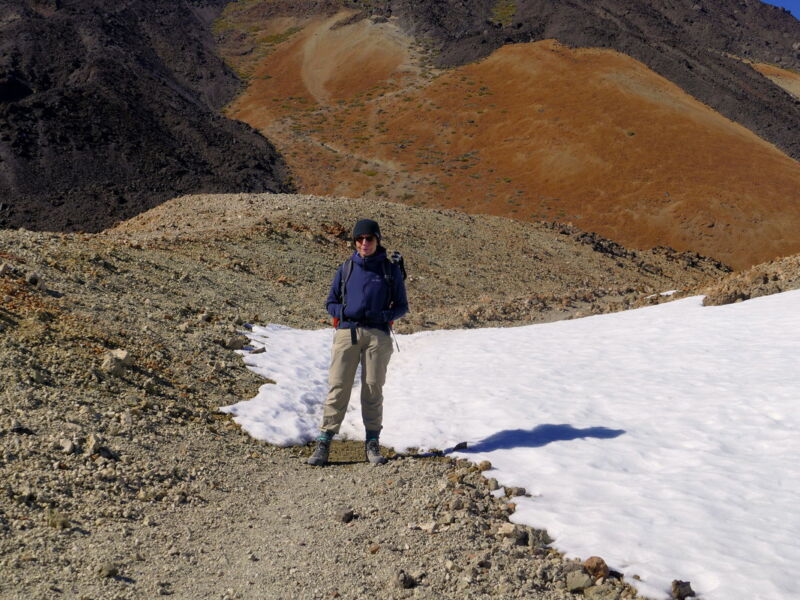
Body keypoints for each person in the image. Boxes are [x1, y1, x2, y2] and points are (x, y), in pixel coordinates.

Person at [307, 218, 408, 466]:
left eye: (369, 238)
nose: (364, 243)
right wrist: (344, 312)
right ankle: (324, 441)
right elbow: (330, 302)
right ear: (354, 242)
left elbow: (402, 306)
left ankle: (372, 442)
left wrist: (381, 317)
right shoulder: (346, 268)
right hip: (346, 333)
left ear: (377, 240)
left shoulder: (389, 270)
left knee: (373, 388)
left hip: (377, 335)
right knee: (338, 386)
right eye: (359, 239)